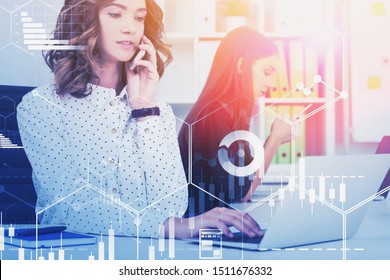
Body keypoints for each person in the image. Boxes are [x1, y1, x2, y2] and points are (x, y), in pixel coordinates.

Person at [17, 0, 261, 239]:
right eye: (115, 14)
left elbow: (172, 207)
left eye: (139, 17)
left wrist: (143, 111)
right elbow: (68, 209)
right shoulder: (41, 106)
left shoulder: (157, 112)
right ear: (84, 19)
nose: (130, 28)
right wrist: (164, 226)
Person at [179, 27, 292, 217]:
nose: (271, 83)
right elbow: (241, 193)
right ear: (241, 66)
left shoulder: (226, 113)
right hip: (201, 234)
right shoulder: (216, 116)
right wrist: (275, 140)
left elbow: (243, 183)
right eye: (266, 72)